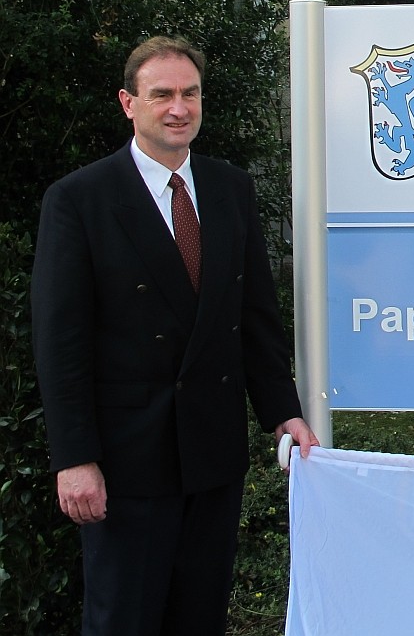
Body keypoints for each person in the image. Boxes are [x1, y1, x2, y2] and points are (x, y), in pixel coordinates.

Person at [30, 35, 320, 636]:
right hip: (125, 460)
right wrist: (75, 457)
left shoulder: (230, 189)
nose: (178, 107)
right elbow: (61, 345)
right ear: (128, 103)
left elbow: (253, 315)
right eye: (161, 94)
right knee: (123, 620)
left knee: (199, 616)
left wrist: (282, 411)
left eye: (189, 93)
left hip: (212, 455)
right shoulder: (80, 200)